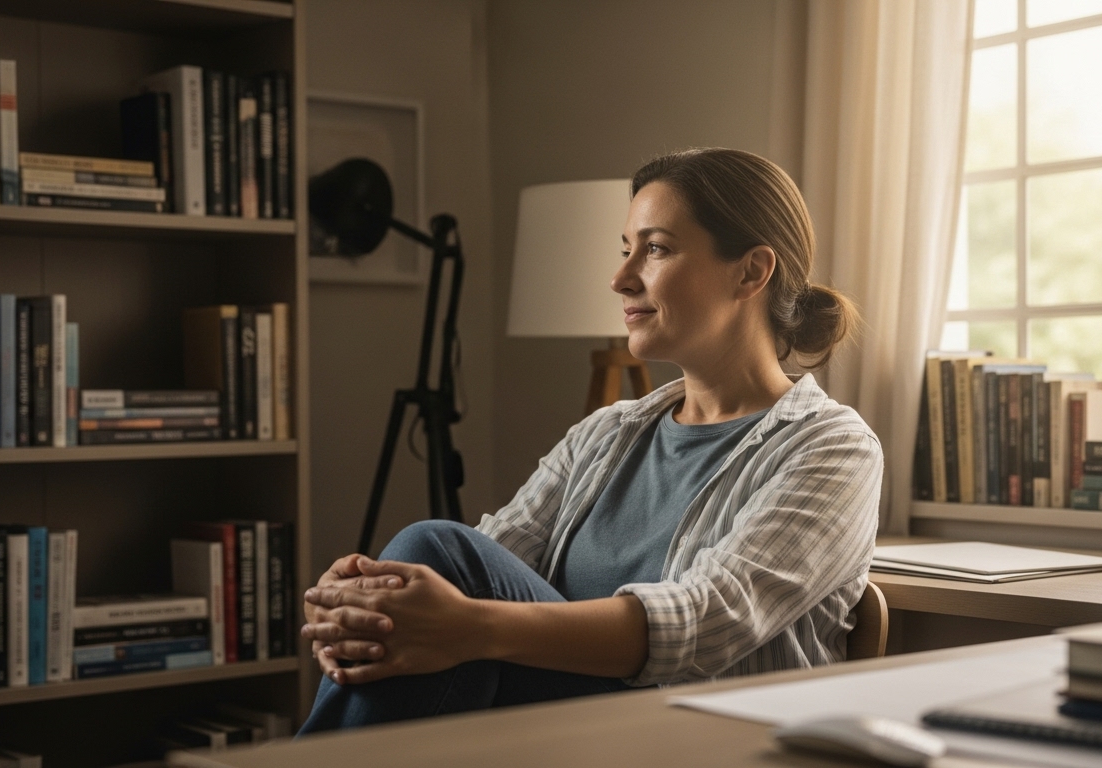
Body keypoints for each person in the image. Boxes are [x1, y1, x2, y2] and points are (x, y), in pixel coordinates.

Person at [297, 147, 883, 734]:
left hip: (702, 737)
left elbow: (709, 621)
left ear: (752, 271)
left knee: (438, 551)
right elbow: (488, 556)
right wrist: (368, 603)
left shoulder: (831, 448)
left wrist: (468, 625)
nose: (620, 278)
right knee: (423, 565)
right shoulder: (608, 432)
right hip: (568, 729)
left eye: (655, 249)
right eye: (626, 250)